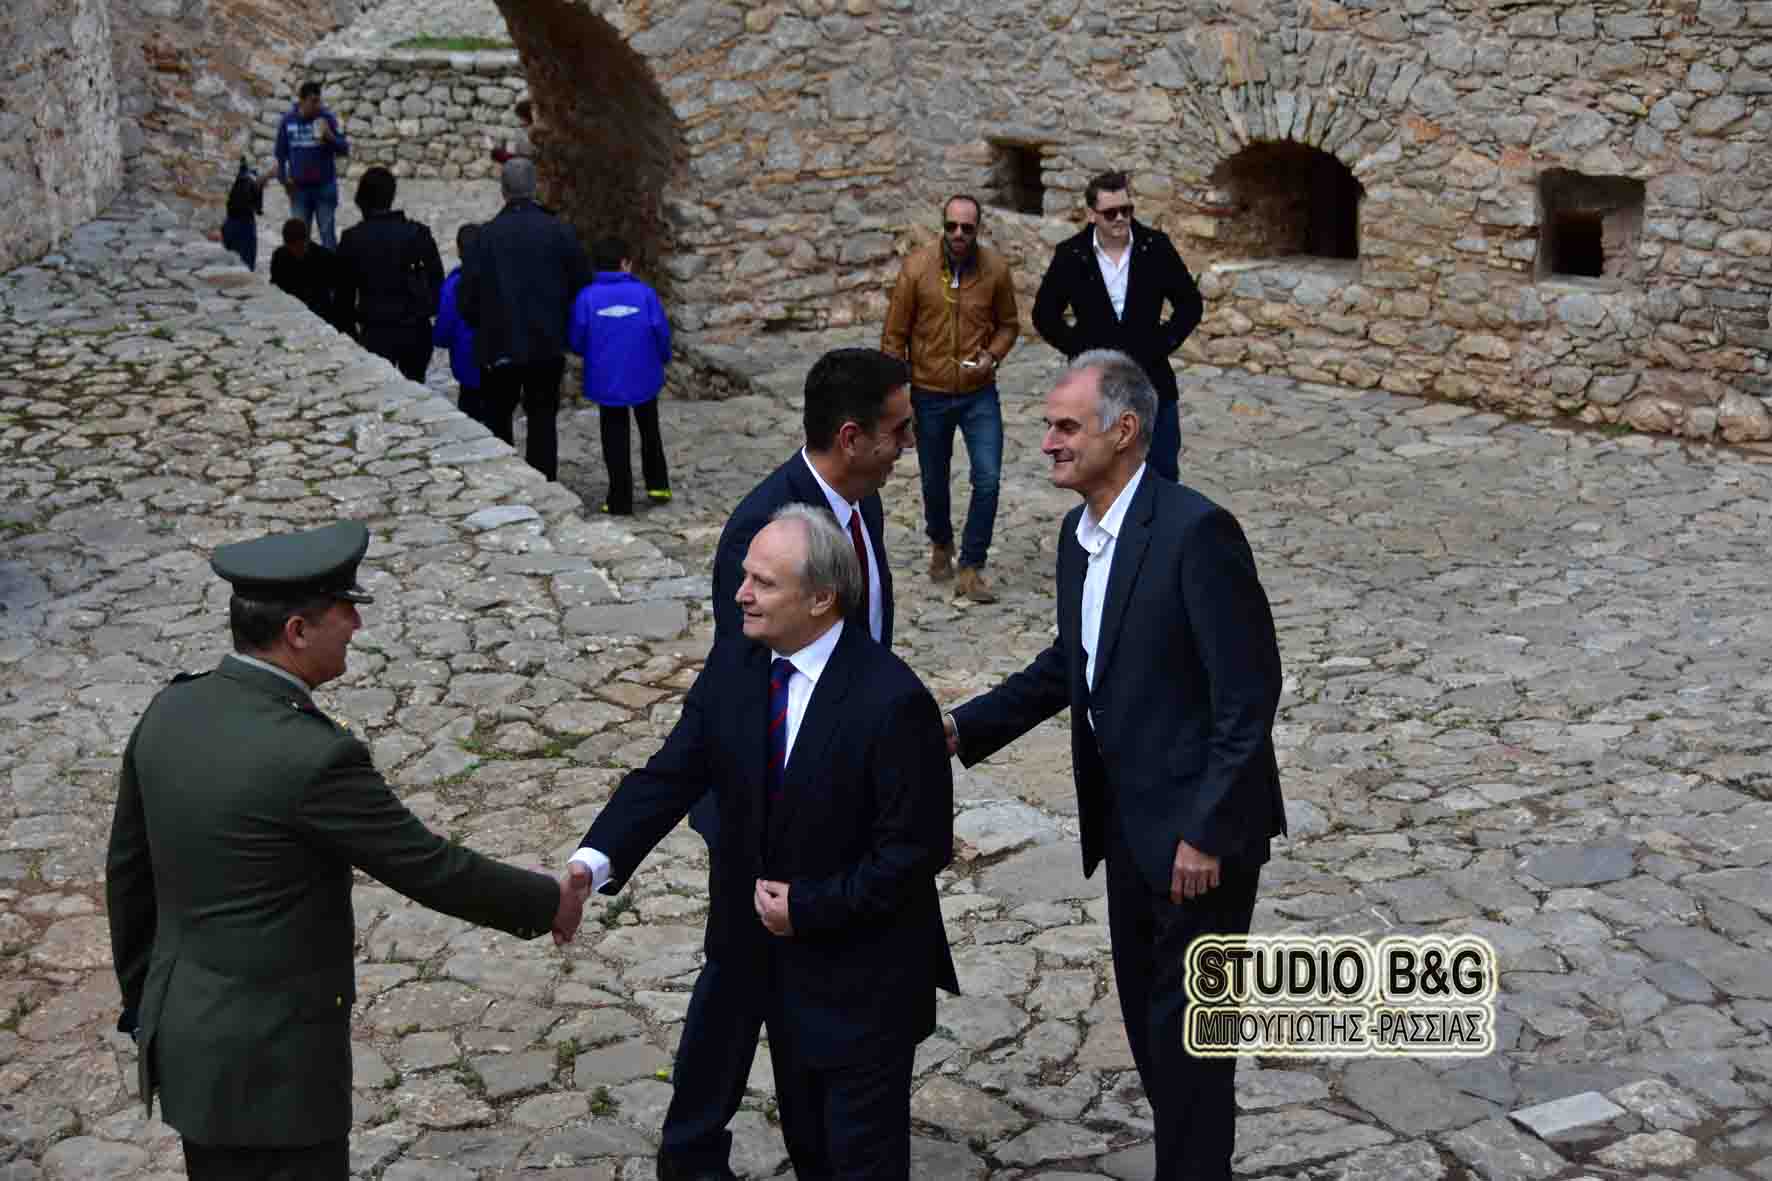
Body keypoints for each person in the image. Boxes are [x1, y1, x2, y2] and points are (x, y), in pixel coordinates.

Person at [105, 520, 591, 1181]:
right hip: (276, 1073)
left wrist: (149, 1007)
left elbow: (128, 879)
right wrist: (549, 902)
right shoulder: (312, 757)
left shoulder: (171, 709)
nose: (357, 625)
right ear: (297, 631)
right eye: (344, 609)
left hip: (192, 1049)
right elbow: (428, 866)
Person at [944, 351, 1286, 1181]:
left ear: (1124, 431)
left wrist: (1207, 831)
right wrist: (958, 727)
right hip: (1128, 830)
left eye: (1066, 426)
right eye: (1047, 427)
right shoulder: (1079, 537)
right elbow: (1071, 664)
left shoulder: (1196, 532)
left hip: (1198, 844)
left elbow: (1248, 693)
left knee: (1191, 1043)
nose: (1048, 443)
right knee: (1151, 1030)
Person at [569, 505, 957, 1181]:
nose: (741, 593)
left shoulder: (893, 701)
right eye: (744, 576)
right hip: (772, 976)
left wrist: (807, 907)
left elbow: (915, 852)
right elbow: (670, 774)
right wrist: (589, 863)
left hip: (864, 989)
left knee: (856, 1162)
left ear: (821, 598)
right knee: (810, 1149)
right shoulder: (737, 664)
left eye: (763, 582)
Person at [658, 347, 911, 1181]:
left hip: (843, 780)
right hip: (767, 805)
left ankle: (826, 1127)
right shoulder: (765, 525)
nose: (909, 445)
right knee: (737, 981)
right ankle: (693, 1150)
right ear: (853, 437)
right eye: (899, 430)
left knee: (802, 974)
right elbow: (745, 687)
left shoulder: (859, 503)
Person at [881, 193, 1019, 603]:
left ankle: (972, 565)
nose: (959, 234)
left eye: (967, 228)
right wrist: (897, 393)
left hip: (979, 393)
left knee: (988, 478)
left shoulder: (995, 269)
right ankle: (941, 541)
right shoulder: (916, 268)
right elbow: (894, 336)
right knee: (933, 480)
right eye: (952, 226)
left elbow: (1009, 325)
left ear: (978, 230)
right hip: (930, 392)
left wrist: (992, 356)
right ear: (943, 226)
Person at [1032, 171, 1205, 482]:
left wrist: (1162, 343)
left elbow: (1190, 304)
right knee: (1101, 473)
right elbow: (1044, 315)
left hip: (1151, 379)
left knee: (1161, 473)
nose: (1120, 218)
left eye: (1126, 210)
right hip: (1096, 387)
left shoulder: (1155, 247)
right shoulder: (1072, 254)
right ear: (1092, 214)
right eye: (1110, 212)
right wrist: (1081, 350)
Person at [458, 158, 592, 482]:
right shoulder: (559, 231)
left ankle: (505, 483)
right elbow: (582, 283)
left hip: (498, 345)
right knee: (542, 418)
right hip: (546, 343)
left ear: (503, 191)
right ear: (535, 188)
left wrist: (483, 326)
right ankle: (543, 483)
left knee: (498, 417)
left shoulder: (485, 237)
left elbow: (467, 298)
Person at [568, 236, 673, 515]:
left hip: (606, 378)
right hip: (644, 373)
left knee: (614, 436)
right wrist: (663, 358)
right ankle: (658, 485)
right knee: (650, 429)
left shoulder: (586, 298)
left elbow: (577, 339)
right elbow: (661, 331)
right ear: (625, 263)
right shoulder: (645, 294)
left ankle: (620, 499)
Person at [335, 165, 444, 383]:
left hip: (375, 330)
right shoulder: (418, 233)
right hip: (415, 330)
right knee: (415, 386)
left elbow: (343, 298)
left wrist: (353, 334)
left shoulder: (352, 239)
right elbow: (437, 282)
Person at [273, 81, 350, 251]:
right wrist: (284, 181)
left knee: (328, 237)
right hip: (299, 190)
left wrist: (329, 136)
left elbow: (344, 149)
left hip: (325, 188)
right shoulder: (287, 121)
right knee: (298, 241)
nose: (317, 106)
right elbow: (280, 155)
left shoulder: (326, 118)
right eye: (313, 101)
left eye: (318, 101)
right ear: (301, 101)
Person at [434, 223, 485, 426]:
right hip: (497, 363)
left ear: (459, 250)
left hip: (467, 363)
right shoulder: (499, 278)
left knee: (470, 417)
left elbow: (444, 329)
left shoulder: (454, 284)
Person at [269, 217, 346, 332]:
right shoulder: (279, 256)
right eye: (292, 247)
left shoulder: (323, 257)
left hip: (320, 312)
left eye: (299, 247)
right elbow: (275, 286)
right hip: (289, 311)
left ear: (306, 241)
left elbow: (339, 287)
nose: (296, 251)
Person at [220, 157, 268, 271]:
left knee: (227, 260)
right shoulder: (253, 178)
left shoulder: (224, 175)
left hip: (229, 220)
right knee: (247, 262)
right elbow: (258, 207)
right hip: (246, 222)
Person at [490, 97, 535, 165]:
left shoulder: (532, 131)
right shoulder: (523, 129)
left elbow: (528, 150)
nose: (520, 120)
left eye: (521, 118)